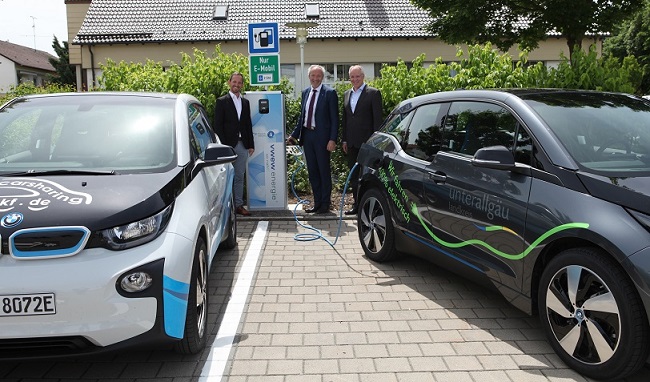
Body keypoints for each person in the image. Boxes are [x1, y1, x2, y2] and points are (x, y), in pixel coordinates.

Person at [287, 65, 339, 214]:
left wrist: (332, 139)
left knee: (323, 171)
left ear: (322, 77)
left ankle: (325, 204)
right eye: (313, 76)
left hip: (322, 138)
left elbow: (335, 119)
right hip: (308, 137)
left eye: (318, 76)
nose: (315, 78)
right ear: (309, 77)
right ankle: (317, 203)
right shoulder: (305, 93)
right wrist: (294, 136)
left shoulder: (330, 93)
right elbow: (302, 118)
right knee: (313, 172)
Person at [341, 65, 383, 215]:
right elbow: (346, 119)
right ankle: (356, 205)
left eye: (357, 76)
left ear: (363, 77)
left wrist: (375, 142)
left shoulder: (373, 93)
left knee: (367, 177)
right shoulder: (347, 94)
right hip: (351, 143)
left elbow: (377, 121)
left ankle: (369, 207)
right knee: (354, 176)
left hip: (367, 143)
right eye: (352, 77)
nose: (355, 79)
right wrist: (344, 140)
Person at [214, 72, 255, 216]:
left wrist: (251, 144)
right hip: (228, 146)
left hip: (242, 144)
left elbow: (248, 124)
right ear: (229, 82)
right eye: (234, 82)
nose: (236, 85)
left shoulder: (245, 102)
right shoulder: (222, 101)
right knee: (225, 177)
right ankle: (225, 207)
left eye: (239, 82)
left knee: (239, 176)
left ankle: (238, 205)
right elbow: (217, 126)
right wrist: (223, 146)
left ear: (242, 85)